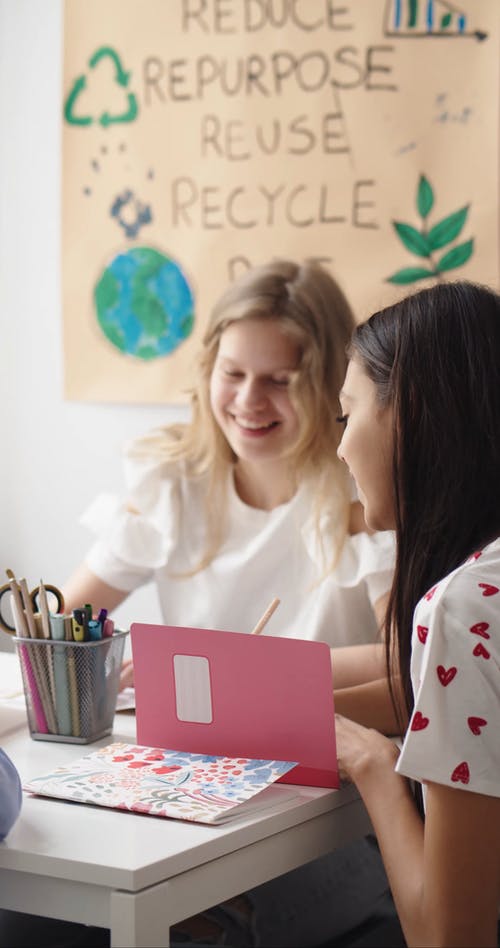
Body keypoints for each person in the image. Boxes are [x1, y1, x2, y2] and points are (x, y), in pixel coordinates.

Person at [63, 259, 397, 947]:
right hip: (197, 790)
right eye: (234, 373)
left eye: (281, 380)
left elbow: (407, 664)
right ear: (207, 370)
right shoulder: (174, 485)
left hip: (322, 810)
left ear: (331, 385)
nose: (250, 400)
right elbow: (67, 619)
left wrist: (248, 674)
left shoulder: (365, 492)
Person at [335, 280, 500, 948]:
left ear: (409, 409)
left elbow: (450, 938)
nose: (340, 448)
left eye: (348, 415)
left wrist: (372, 763)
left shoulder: (462, 609)